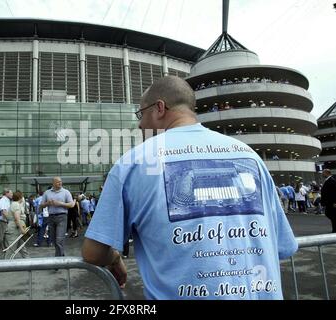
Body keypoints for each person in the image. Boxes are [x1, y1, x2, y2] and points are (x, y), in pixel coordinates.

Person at [82, 75, 298, 299]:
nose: (139, 124)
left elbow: (93, 252)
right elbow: (282, 245)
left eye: (141, 113)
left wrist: (115, 258)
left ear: (159, 108)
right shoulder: (249, 156)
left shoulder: (133, 163)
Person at [39, 177, 74, 258]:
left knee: (59, 239)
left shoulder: (66, 192)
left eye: (61, 181)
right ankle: (61, 255)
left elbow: (71, 204)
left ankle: (57, 260)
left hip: (62, 217)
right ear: (53, 183)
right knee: (54, 240)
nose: (60, 183)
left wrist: (60, 204)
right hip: (51, 217)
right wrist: (48, 203)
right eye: (58, 182)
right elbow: (41, 205)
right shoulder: (47, 193)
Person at [4, 191, 29, 259]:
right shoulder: (16, 205)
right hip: (15, 229)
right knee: (12, 248)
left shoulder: (15, 204)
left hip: (17, 228)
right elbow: (17, 219)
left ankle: (28, 262)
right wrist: (22, 229)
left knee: (22, 246)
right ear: (20, 197)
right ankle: (6, 264)